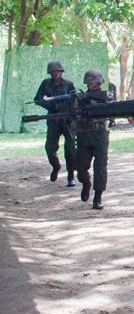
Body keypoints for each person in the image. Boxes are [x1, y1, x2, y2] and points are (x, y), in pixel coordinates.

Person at [34, 60, 77, 186]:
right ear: (50, 73)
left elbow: (75, 99)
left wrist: (67, 107)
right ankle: (56, 166)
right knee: (50, 147)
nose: (55, 73)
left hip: (67, 119)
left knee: (70, 149)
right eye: (53, 72)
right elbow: (37, 99)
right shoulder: (46, 83)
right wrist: (51, 105)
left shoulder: (68, 84)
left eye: (57, 71)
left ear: (61, 71)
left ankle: (70, 176)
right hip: (53, 118)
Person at [75, 70, 110, 210]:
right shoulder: (79, 98)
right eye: (90, 82)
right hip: (83, 135)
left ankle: (98, 197)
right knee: (81, 166)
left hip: (100, 135)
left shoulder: (106, 97)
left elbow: (113, 110)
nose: (92, 84)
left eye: (95, 82)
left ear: (100, 83)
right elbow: (72, 115)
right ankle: (86, 183)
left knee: (100, 167)